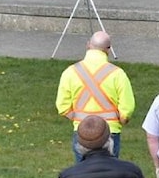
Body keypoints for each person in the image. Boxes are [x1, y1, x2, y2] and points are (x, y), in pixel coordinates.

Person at [55, 31, 135, 162]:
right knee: (110, 173)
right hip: (110, 130)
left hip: (82, 130)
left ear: (88, 45)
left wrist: (78, 119)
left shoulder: (70, 72)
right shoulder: (117, 74)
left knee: (82, 174)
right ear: (108, 49)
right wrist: (121, 120)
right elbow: (127, 108)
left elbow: (62, 106)